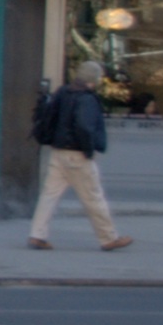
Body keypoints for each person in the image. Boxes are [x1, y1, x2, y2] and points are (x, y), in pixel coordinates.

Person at [27, 60, 133, 251]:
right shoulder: (87, 99)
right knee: (93, 197)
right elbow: (84, 127)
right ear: (94, 79)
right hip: (77, 155)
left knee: (49, 195)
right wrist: (89, 150)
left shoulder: (63, 92)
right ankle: (108, 237)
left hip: (58, 152)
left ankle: (37, 235)